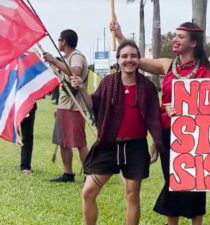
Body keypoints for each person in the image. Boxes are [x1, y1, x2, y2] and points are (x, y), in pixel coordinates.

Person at [111, 21, 210, 225]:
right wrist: (120, 36)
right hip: (168, 134)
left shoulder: (206, 72)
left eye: (181, 37)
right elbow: (136, 60)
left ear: (194, 43)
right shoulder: (168, 65)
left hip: (196, 137)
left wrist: (187, 111)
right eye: (175, 35)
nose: (175, 39)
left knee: (196, 184)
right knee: (172, 182)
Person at [71, 40, 163, 225]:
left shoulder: (147, 87)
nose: (129, 60)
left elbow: (154, 118)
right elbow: (93, 106)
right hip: (109, 145)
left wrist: (156, 142)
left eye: (133, 56)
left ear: (139, 59)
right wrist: (81, 87)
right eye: (124, 56)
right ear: (118, 60)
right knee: (88, 192)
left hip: (135, 148)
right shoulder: (108, 82)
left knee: (132, 195)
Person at [43, 29, 89, 182]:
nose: (58, 43)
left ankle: (90, 174)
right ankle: (67, 173)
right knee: (63, 141)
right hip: (65, 106)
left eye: (59, 40)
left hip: (75, 107)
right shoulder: (67, 58)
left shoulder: (76, 57)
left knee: (79, 142)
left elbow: (74, 72)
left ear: (63, 41)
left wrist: (55, 61)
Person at [19, 103, 37, 175]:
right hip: (8, 103)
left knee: (27, 136)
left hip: (27, 105)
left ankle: (25, 166)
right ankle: (25, 166)